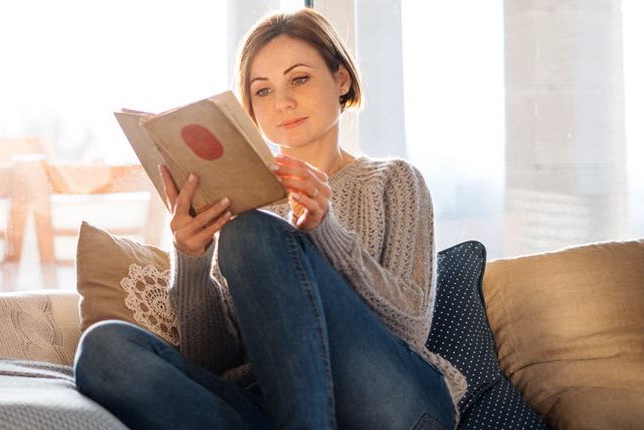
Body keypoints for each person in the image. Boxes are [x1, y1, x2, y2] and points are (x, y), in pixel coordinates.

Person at [74, 7, 466, 429]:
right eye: (262, 91)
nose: (283, 102)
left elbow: (409, 328)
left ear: (341, 79)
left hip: (397, 403)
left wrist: (325, 231)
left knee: (252, 234)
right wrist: (192, 260)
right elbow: (214, 363)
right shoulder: (242, 205)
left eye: (299, 78)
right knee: (104, 349)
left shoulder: (393, 180)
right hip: (272, 407)